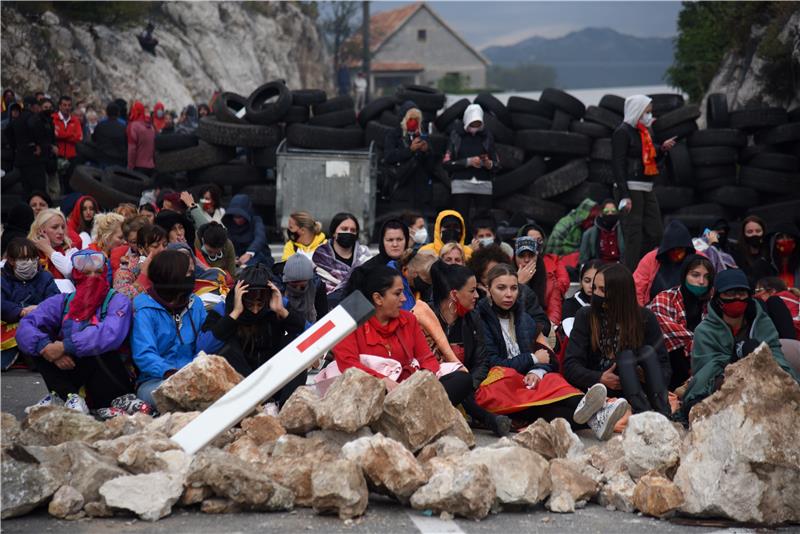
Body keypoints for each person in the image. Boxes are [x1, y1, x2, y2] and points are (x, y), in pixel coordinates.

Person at [477, 263, 624, 438]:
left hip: (528, 383)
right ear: (488, 289)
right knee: (513, 378)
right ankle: (601, 412)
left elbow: (548, 359)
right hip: (502, 385)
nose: (509, 294)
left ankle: (598, 415)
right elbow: (493, 362)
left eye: (514, 288)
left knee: (554, 388)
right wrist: (533, 359)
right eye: (501, 288)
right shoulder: (480, 318)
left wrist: (537, 370)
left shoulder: (524, 319)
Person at [332, 265, 473, 406]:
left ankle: (414, 407)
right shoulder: (350, 322)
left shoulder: (408, 319)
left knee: (462, 379)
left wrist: (422, 381)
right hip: (374, 389)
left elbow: (426, 358)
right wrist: (384, 381)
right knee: (366, 388)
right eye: (397, 293)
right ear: (378, 298)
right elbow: (349, 366)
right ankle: (417, 408)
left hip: (410, 386)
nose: (404, 299)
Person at [17, 250, 134, 412]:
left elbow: (110, 333)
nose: (93, 277)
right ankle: (68, 396)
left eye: (98, 272)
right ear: (77, 276)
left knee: (97, 345)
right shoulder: (64, 301)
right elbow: (27, 325)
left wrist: (65, 347)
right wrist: (46, 348)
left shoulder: (117, 301)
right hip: (72, 368)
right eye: (86, 274)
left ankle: (67, 396)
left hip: (108, 372)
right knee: (37, 342)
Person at [682, 269, 799, 417]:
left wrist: (760, 355)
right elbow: (705, 371)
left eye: (741, 293)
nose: (736, 298)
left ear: (749, 296)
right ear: (718, 297)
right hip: (720, 389)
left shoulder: (762, 323)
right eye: (729, 293)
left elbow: (776, 356)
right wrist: (736, 356)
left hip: (763, 383)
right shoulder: (705, 331)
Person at [563, 263, 671, 417]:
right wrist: (600, 378)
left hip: (641, 387)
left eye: (602, 290)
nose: (595, 294)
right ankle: (641, 412)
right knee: (625, 356)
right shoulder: (586, 316)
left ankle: (660, 412)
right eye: (594, 288)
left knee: (643, 352)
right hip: (601, 389)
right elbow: (570, 366)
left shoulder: (644, 318)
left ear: (619, 293)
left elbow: (665, 367)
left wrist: (646, 374)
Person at [201, 265, 305, 405]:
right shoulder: (224, 310)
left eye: (260, 304)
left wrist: (282, 312)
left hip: (273, 377)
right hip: (241, 385)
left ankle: (287, 406)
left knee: (295, 342)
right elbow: (203, 348)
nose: (255, 311)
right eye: (250, 305)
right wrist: (235, 313)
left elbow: (311, 335)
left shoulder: (277, 304)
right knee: (226, 346)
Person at [131, 250, 224, 406]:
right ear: (171, 277)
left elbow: (204, 341)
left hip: (194, 376)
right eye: (187, 273)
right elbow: (144, 354)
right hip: (155, 381)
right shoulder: (144, 309)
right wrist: (171, 373)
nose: (192, 277)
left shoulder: (195, 304)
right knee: (181, 395)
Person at [429, 262, 512, 436]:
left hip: (468, 385)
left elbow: (482, 361)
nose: (476, 295)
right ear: (454, 294)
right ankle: (488, 419)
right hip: (434, 385)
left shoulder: (473, 319)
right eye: (471, 290)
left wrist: (468, 384)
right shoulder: (427, 317)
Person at [612, 95, 677, 271]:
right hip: (630, 188)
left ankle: (648, 268)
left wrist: (662, 150)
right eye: (647, 112)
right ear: (637, 111)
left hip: (647, 187)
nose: (650, 116)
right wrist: (624, 195)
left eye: (650, 112)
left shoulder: (645, 132)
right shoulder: (622, 132)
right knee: (634, 234)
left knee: (655, 230)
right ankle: (630, 273)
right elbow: (618, 164)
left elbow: (650, 157)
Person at [648, 255, 715, 390]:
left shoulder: (713, 302)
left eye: (706, 277)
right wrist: (699, 341)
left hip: (703, 364)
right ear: (684, 275)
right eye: (695, 275)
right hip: (670, 364)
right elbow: (668, 334)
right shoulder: (665, 298)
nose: (701, 281)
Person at [1, 238, 60, 370]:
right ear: (11, 260)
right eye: (23, 259)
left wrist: (39, 309)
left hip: (38, 324)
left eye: (33, 258)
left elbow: (56, 300)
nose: (29, 263)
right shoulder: (2, 279)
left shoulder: (45, 277)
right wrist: (21, 311)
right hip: (9, 328)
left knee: (39, 363)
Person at [468, 244, 550, 335]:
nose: (496, 278)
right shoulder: (474, 296)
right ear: (479, 280)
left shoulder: (523, 292)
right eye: (489, 276)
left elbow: (544, 326)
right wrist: (488, 303)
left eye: (499, 274)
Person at [443, 104, 499, 224]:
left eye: (478, 125)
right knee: (461, 220)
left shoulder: (487, 136)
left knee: (484, 220)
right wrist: (468, 162)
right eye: (472, 124)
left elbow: (497, 164)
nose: (475, 128)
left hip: (483, 183)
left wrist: (488, 163)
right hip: (461, 184)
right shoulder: (456, 135)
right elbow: (446, 163)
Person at [383, 101, 438, 215]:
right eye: (410, 118)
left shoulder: (423, 136)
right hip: (401, 191)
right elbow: (389, 157)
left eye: (416, 119)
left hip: (421, 194)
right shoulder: (393, 135)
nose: (413, 122)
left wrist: (427, 151)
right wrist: (410, 150)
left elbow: (432, 167)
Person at [312, 212, 371, 306]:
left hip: (360, 308)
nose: (349, 232)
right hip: (327, 309)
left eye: (353, 230)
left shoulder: (364, 255)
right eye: (344, 229)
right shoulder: (320, 255)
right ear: (334, 232)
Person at [516, 222, 570, 325]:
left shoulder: (551, 272)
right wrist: (518, 284)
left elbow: (563, 282)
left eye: (539, 240)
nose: (527, 260)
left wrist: (549, 327)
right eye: (522, 255)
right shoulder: (507, 272)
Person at [633, 219, 696, 306]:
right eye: (672, 249)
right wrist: (641, 313)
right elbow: (637, 289)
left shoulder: (698, 259)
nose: (676, 253)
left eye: (680, 249)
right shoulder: (650, 259)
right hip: (654, 311)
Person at [113, 224, 167, 299]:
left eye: (165, 245)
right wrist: (143, 275)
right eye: (155, 246)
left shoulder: (171, 265)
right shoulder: (126, 270)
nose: (162, 250)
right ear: (141, 248)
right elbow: (122, 299)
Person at [9, 96, 50, 194]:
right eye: (37, 106)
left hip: (21, 160)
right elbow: (40, 136)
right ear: (32, 106)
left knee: (26, 191)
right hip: (35, 160)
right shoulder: (34, 118)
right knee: (39, 191)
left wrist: (16, 146)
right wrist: (39, 146)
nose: (39, 109)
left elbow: (8, 133)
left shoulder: (17, 119)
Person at [279, 253, 328, 328]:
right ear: (286, 281)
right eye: (293, 285)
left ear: (309, 280)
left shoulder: (317, 286)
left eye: (302, 287)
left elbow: (323, 317)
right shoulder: (278, 289)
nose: (298, 289)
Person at [222, 194, 270, 268]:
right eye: (235, 216)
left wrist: (249, 253)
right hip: (238, 260)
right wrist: (234, 257)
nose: (237, 219)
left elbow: (260, 237)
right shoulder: (230, 225)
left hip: (258, 257)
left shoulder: (256, 221)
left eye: (240, 216)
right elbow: (229, 243)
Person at [28, 208, 78, 280]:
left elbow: (68, 271)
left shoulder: (71, 250)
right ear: (40, 231)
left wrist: (47, 249)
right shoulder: (28, 250)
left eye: (63, 227)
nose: (61, 232)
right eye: (55, 227)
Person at [754, 222, 799, 290]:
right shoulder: (762, 266)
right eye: (780, 237)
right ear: (773, 242)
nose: (785, 240)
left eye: (790, 237)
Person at [579, 199, 624, 265]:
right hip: (600, 267)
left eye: (613, 211)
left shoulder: (624, 230)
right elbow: (583, 259)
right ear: (601, 213)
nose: (610, 214)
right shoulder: (589, 234)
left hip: (620, 267)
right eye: (606, 211)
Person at [731, 216, 768, 287]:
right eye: (750, 232)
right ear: (744, 234)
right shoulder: (736, 254)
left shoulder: (770, 253)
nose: (754, 234)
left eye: (758, 231)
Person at [126, 101, 155, 175]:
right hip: (151, 166)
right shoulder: (151, 127)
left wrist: (130, 167)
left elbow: (132, 149)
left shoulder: (133, 126)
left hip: (138, 166)